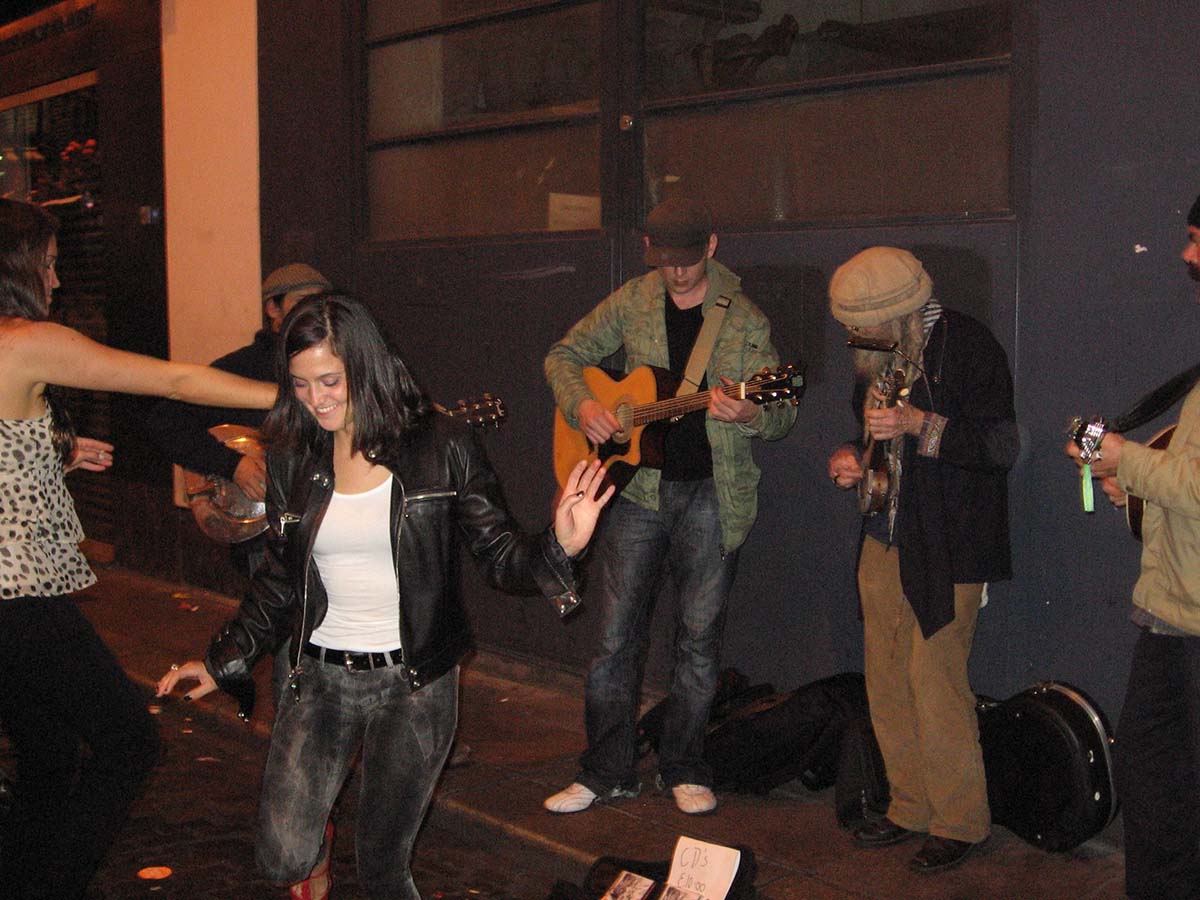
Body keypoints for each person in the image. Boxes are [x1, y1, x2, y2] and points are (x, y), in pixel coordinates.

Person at [156, 293, 613, 900]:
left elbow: (501, 558)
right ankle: (315, 848)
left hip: (415, 684)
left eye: (330, 381)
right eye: (300, 385)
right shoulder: (294, 457)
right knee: (282, 854)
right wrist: (223, 660)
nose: (316, 399)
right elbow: (278, 578)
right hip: (317, 676)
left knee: (382, 864)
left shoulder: (441, 444)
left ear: (365, 367)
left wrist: (562, 546)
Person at [0, 197, 275, 900]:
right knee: (129, 744)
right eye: (52, 265)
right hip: (17, 601)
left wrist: (55, 453)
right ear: (20, 266)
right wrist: (302, 396)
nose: (58, 282)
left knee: (48, 756)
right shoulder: (27, 340)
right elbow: (176, 380)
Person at [543, 196, 796, 816]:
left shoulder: (745, 322)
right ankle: (605, 772)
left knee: (699, 640)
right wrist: (585, 407)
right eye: (664, 261)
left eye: (686, 260)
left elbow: (782, 413)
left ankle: (684, 766)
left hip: (713, 495)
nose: (676, 273)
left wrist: (753, 412)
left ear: (711, 246)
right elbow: (563, 356)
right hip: (633, 494)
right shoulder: (632, 300)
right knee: (613, 640)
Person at [826, 246, 1018, 873]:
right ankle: (909, 807)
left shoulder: (968, 346)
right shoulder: (876, 351)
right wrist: (852, 458)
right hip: (884, 535)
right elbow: (870, 435)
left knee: (936, 682)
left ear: (904, 313)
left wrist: (918, 423)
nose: (860, 340)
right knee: (884, 676)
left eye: (868, 328)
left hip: (951, 543)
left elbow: (1000, 446)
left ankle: (961, 821)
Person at [1064, 193, 1200, 899]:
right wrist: (1129, 489)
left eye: (1197, 239)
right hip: (1171, 614)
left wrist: (1125, 458)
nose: (1186, 256)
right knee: (1154, 782)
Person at [147, 262, 332, 568]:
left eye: (321, 303)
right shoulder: (242, 366)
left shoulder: (335, 362)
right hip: (268, 541)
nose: (312, 313)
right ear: (272, 308)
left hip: (324, 525)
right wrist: (232, 465)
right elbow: (165, 420)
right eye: (302, 302)